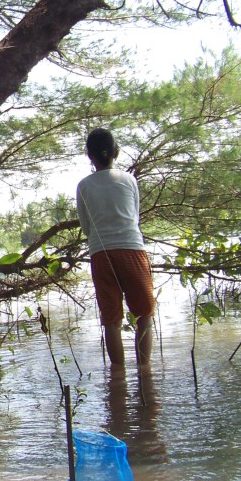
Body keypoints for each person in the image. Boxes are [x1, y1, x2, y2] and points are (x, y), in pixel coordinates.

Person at [75, 127, 155, 370]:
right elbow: (135, 217)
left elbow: (86, 227)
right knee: (144, 316)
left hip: (101, 254)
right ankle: (145, 373)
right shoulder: (129, 179)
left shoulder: (83, 186)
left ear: (89, 155)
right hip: (132, 249)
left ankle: (117, 377)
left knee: (112, 320)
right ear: (115, 152)